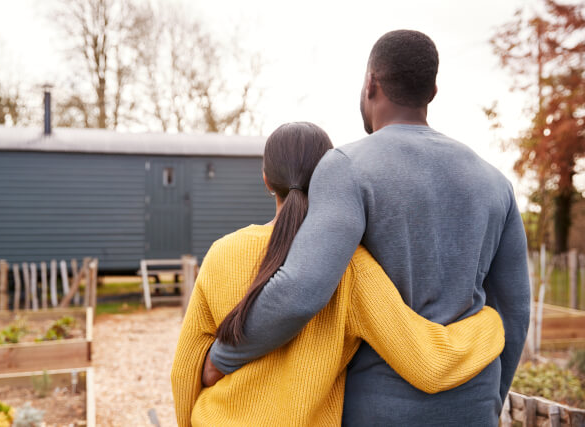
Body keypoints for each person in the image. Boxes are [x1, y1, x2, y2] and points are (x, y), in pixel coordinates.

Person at [205, 30, 530, 426]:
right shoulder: (496, 183)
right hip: (473, 405)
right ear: (432, 91)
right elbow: (514, 312)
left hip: (380, 410)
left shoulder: (347, 167)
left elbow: (300, 290)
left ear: (371, 83)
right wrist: (489, 401)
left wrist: (222, 358)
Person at [171, 122, 506, 427]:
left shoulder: (222, 252)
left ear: (266, 180)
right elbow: (428, 362)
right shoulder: (349, 266)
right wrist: (490, 322)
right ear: (327, 180)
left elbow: (185, 369)